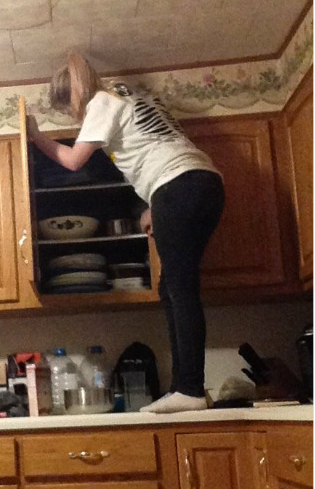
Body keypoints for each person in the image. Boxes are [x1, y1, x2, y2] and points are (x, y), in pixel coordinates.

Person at [27, 52, 225, 412]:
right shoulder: (129, 96)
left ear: (72, 95)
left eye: (69, 110)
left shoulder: (102, 101)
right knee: (172, 286)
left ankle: (190, 389)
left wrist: (36, 136)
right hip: (204, 184)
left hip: (176, 186)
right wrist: (154, 204)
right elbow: (158, 148)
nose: (74, 117)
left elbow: (73, 161)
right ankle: (185, 387)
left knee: (179, 288)